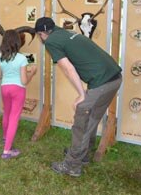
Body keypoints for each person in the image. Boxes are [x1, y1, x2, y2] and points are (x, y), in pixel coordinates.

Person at [34, 17, 122, 177]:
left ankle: (72, 165)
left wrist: (81, 94)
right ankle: (84, 154)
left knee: (81, 121)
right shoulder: (66, 32)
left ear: (41, 34)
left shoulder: (51, 41)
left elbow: (68, 69)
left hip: (102, 83)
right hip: (114, 77)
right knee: (92, 118)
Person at [0, 30, 37, 159]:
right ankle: (7, 151)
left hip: (4, 88)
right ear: (17, 42)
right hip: (18, 90)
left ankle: (5, 137)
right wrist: (32, 73)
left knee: (7, 114)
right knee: (14, 118)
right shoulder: (22, 58)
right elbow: (24, 81)